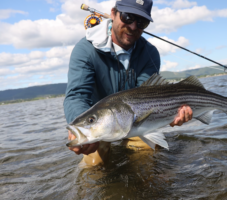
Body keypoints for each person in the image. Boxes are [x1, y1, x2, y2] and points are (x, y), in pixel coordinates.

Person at [64, 0, 193, 166]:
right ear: (113, 13)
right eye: (127, 17)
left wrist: (170, 115)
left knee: (147, 157)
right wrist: (79, 124)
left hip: (136, 120)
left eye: (142, 22)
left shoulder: (150, 53)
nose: (133, 27)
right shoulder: (85, 50)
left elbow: (148, 94)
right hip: (99, 122)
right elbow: (77, 95)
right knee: (94, 166)